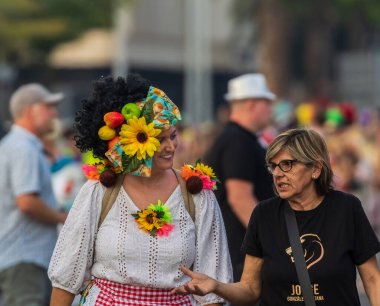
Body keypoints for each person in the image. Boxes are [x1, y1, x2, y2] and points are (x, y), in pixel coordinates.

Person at [48, 74, 232, 305]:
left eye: (173, 136)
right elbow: (67, 276)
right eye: (159, 139)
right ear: (132, 143)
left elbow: (212, 283)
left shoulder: (197, 194)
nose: (171, 146)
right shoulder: (99, 191)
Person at [173, 128, 380, 305]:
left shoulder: (346, 208)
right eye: (273, 166)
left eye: (287, 164)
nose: (278, 173)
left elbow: (372, 279)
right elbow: (250, 290)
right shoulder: (265, 214)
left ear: (316, 169)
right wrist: (216, 286)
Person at [0, 83, 67, 306]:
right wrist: (62, 218)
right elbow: (27, 202)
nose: (55, 113)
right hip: (25, 257)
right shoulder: (23, 148)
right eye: (49, 107)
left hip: (23, 258)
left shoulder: (19, 145)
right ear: (31, 110)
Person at [204, 73, 276, 281]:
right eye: (266, 103)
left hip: (238, 247)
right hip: (240, 251)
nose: (270, 109)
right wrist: (271, 240)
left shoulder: (239, 138)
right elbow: (240, 197)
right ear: (252, 104)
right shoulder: (238, 141)